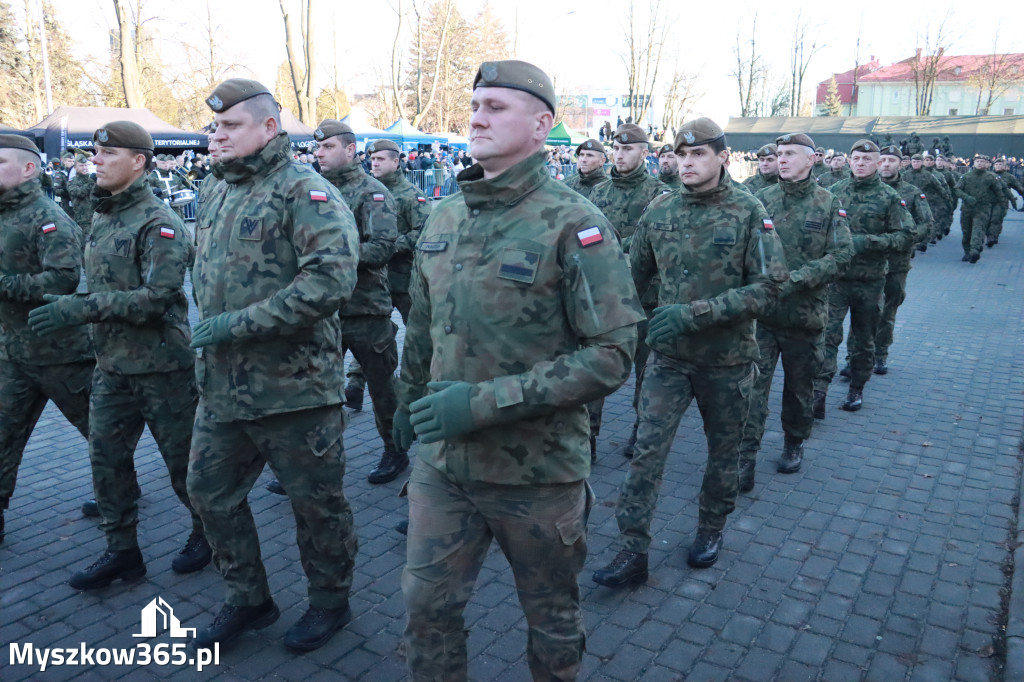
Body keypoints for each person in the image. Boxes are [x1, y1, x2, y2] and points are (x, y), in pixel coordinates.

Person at [395, 59, 643, 681]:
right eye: (475, 105)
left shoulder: (576, 223)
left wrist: (480, 404)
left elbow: (612, 354)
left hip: (536, 473)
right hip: (444, 465)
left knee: (551, 619)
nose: (477, 116)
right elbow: (422, 328)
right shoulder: (445, 214)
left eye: (496, 107)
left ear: (541, 125)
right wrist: (407, 400)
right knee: (426, 608)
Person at [185, 79, 361, 652]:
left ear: (268, 129)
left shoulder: (303, 192)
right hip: (223, 390)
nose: (216, 138)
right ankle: (249, 598)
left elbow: (331, 279)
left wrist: (238, 325)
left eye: (229, 127)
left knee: (317, 508)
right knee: (209, 494)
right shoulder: (216, 192)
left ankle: (330, 602)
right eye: (214, 128)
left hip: (294, 392)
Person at [593, 117, 789, 588]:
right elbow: (630, 278)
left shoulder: (748, 211)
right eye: (680, 155)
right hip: (668, 357)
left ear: (722, 157)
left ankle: (710, 528)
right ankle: (633, 548)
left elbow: (771, 287)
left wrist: (698, 312)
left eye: (698, 154)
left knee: (723, 453)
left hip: (728, 360)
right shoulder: (659, 211)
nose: (687, 163)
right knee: (646, 452)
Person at [28, 121, 210, 588]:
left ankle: (206, 532)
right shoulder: (104, 214)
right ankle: (122, 550)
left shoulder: (159, 223)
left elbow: (159, 297)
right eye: (95, 153)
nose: (96, 161)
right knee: (106, 460)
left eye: (108, 154)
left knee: (182, 463)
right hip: (111, 366)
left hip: (162, 367)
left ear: (138, 162)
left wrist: (81, 309)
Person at [737, 133, 852, 490]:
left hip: (805, 316)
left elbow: (842, 255)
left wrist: (799, 278)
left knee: (799, 388)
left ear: (811, 159)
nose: (781, 159)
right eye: (778, 154)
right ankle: (746, 455)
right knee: (752, 388)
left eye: (789, 154)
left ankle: (794, 441)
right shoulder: (762, 199)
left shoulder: (828, 203)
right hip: (764, 315)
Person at [0, 134, 95, 545]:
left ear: (28, 169)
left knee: (99, 429)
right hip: (11, 352)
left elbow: (64, 278)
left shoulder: (48, 217)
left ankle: (120, 491)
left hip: (59, 352)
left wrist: (5, 285)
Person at [304, 120, 406, 486]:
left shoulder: (372, 193)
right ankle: (314, 461)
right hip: (322, 310)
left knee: (382, 389)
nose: (319, 153)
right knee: (318, 391)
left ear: (350, 150)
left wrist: (330, 255)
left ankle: (395, 450)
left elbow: (382, 248)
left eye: (327, 146)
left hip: (365, 310)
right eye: (317, 148)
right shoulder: (312, 191)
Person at [812, 140, 915, 414]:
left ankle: (856, 388)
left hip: (870, 282)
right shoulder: (834, 192)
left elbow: (906, 235)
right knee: (826, 335)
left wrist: (868, 242)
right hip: (836, 280)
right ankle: (819, 391)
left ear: (878, 163)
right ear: (849, 160)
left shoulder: (889, 198)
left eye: (867, 159)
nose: (860, 163)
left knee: (863, 339)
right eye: (856, 158)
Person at [587, 123, 669, 459]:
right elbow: (583, 236)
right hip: (603, 299)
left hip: (645, 300)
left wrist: (610, 248)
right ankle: (588, 438)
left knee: (646, 374)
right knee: (594, 372)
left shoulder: (659, 194)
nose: (620, 155)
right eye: (616, 149)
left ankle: (640, 429)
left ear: (644, 153)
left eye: (628, 149)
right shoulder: (599, 193)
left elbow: (654, 241)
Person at [874, 144, 932, 375]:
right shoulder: (863, 189)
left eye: (891, 160)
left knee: (887, 310)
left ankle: (880, 354)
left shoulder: (911, 192)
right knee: (866, 312)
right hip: (866, 264)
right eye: (882, 160)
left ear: (901, 164)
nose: (886, 164)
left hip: (896, 264)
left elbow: (926, 223)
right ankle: (857, 356)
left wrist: (904, 240)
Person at [956, 156, 1005, 263]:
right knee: (966, 232)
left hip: (982, 209)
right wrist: (966, 197)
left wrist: (1003, 205)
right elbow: (957, 190)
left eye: (982, 162)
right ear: (973, 164)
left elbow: (999, 191)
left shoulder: (990, 177)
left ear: (986, 164)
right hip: (967, 209)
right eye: (977, 161)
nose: (979, 163)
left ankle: (974, 251)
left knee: (978, 229)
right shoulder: (966, 177)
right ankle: (967, 252)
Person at [903, 153, 951, 246]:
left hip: (925, 202)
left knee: (924, 222)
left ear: (921, 163)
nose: (916, 164)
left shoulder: (928, 175)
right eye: (914, 162)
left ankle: (923, 242)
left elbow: (939, 187)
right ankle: (913, 244)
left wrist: (947, 198)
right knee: (909, 222)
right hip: (909, 202)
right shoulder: (905, 175)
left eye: (918, 161)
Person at [990, 157, 1022, 246]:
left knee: (996, 218)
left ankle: (993, 235)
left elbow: (1019, 188)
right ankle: (990, 234)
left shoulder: (1010, 177)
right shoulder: (989, 175)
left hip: (1002, 201)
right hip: (988, 200)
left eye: (1000, 164)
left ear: (1005, 167)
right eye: (996, 164)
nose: (998, 166)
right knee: (987, 218)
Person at [66, 150, 97, 236]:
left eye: (86, 165)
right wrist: (91, 183)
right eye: (81, 165)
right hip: (82, 220)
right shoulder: (72, 182)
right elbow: (79, 193)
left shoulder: (92, 179)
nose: (84, 167)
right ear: (75, 167)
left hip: (95, 217)